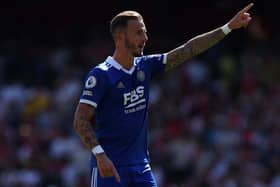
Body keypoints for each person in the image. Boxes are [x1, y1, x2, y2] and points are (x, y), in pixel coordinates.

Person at [73, 3, 254, 187]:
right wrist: (100, 155)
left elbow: (188, 49)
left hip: (141, 167)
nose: (145, 37)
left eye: (145, 32)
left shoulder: (145, 65)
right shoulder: (101, 75)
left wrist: (228, 28)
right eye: (139, 33)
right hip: (110, 167)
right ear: (120, 36)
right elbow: (80, 120)